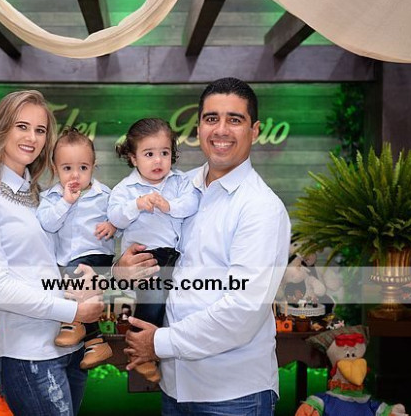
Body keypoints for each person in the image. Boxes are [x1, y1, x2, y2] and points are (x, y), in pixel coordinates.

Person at [121, 78, 292, 415]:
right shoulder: (175, 187)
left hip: (234, 396)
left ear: (255, 131)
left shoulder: (261, 208)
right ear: (198, 128)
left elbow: (242, 310)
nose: (221, 130)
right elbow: (145, 255)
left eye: (235, 119)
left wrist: (158, 342)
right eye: (212, 118)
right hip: (174, 388)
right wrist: (123, 269)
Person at [0, 90, 103, 416]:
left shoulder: (43, 196)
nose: (32, 137)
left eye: (40, 130)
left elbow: (56, 264)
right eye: (22, 126)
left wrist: (96, 276)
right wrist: (73, 311)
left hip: (71, 347)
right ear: (1, 128)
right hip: (28, 354)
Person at [107, 118, 199, 382]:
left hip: (173, 256)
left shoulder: (180, 182)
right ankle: (141, 352)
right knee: (153, 298)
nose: (158, 160)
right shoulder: (126, 189)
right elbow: (115, 217)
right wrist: (137, 204)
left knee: (175, 302)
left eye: (164, 153)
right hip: (144, 256)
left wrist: (169, 206)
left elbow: (191, 204)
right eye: (149, 154)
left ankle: (157, 349)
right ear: (133, 158)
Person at [36, 127, 115, 370]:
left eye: (83, 167)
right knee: (71, 285)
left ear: (93, 166)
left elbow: (121, 220)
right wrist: (65, 202)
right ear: (55, 168)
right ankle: (95, 342)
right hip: (66, 264)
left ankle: (73, 324)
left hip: (97, 258)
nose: (75, 175)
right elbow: (47, 223)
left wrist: (113, 225)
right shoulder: (50, 198)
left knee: (76, 276)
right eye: (67, 168)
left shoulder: (105, 195)